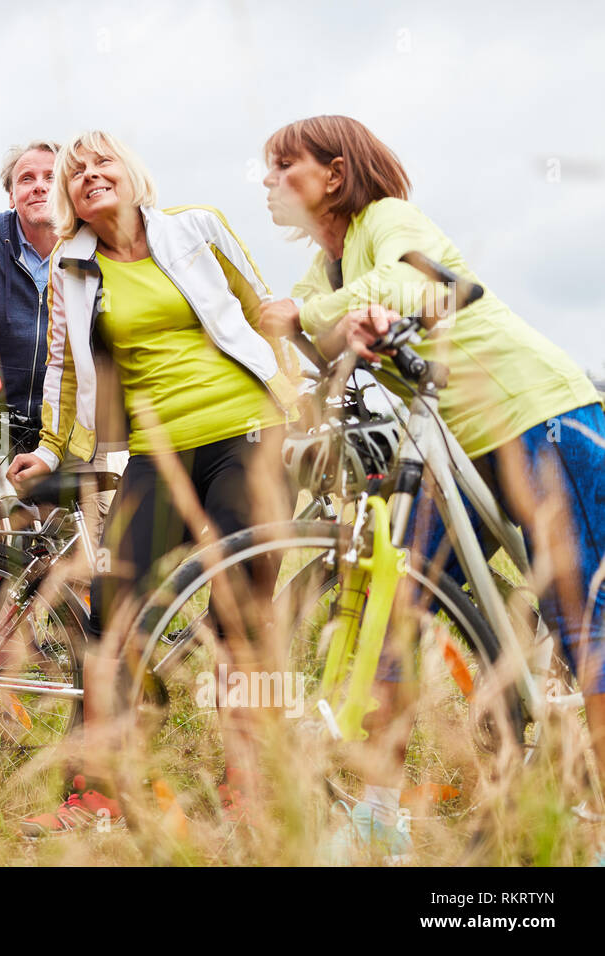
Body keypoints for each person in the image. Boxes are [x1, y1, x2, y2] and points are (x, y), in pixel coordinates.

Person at [258, 114, 605, 858]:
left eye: (284, 166)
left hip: (537, 413)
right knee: (395, 605)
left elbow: (421, 281)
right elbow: (322, 344)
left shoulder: (388, 220)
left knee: (580, 617)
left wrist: (311, 317)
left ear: (335, 175)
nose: (268, 181)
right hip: (455, 445)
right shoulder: (323, 273)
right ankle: (382, 813)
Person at [8, 131, 299, 836]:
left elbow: (264, 310)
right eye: (76, 173)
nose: (90, 174)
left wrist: (294, 401)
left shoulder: (198, 229)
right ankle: (99, 794)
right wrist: (50, 452)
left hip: (244, 433)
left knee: (240, 608)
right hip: (154, 452)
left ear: (135, 175)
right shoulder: (70, 271)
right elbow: (64, 374)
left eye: (104, 161)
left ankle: (251, 785)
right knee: (113, 609)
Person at [0, 141, 113, 540]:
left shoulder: (95, 249)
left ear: (64, 187)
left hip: (75, 418)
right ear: (11, 194)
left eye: (49, 177)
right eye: (27, 179)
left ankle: (75, 601)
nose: (39, 187)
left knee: (87, 544)